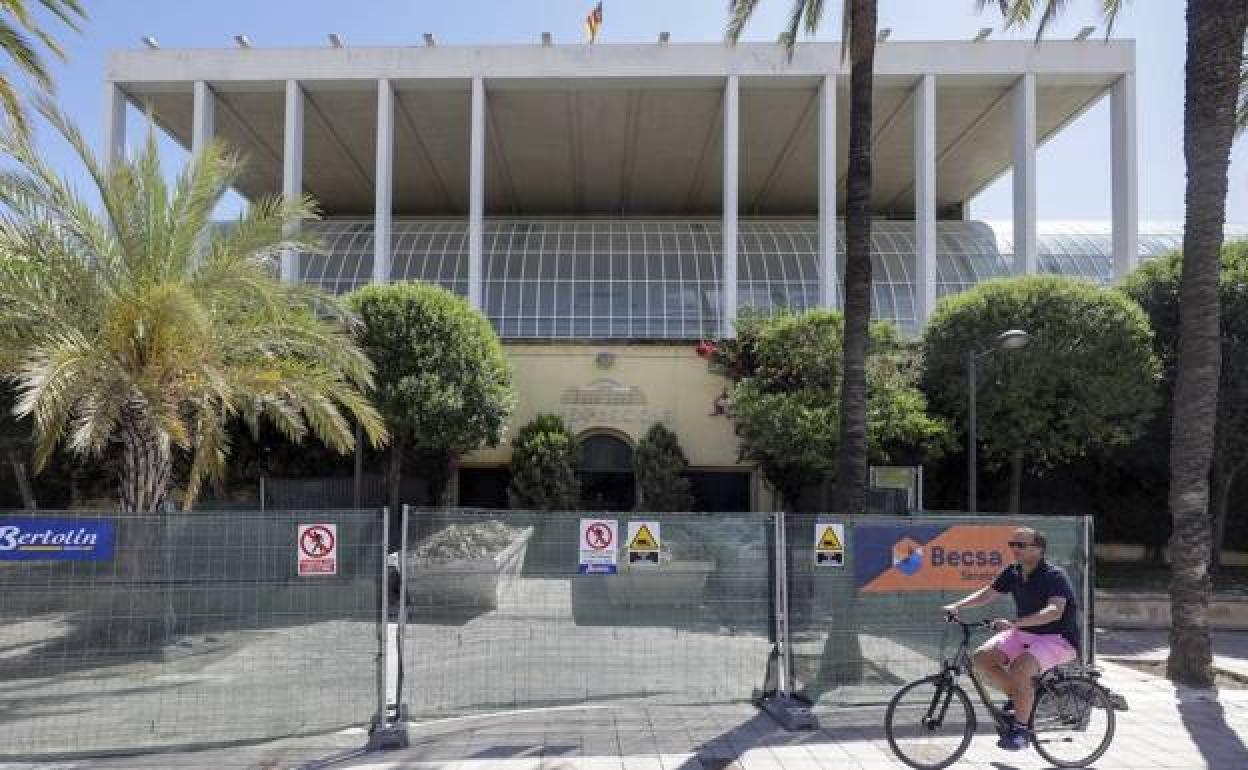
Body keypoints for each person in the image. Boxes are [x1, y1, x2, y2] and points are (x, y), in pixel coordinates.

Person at [941, 526, 1080, 751]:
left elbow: (1054, 611)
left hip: (1057, 638)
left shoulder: (1054, 576)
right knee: (981, 658)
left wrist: (1014, 623)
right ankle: (1020, 700)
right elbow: (988, 593)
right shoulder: (1013, 572)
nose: (1014, 549)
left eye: (1021, 545)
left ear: (1039, 550)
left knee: (1021, 668)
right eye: (1012, 545)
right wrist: (957, 606)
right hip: (1025, 633)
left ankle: (1021, 730)